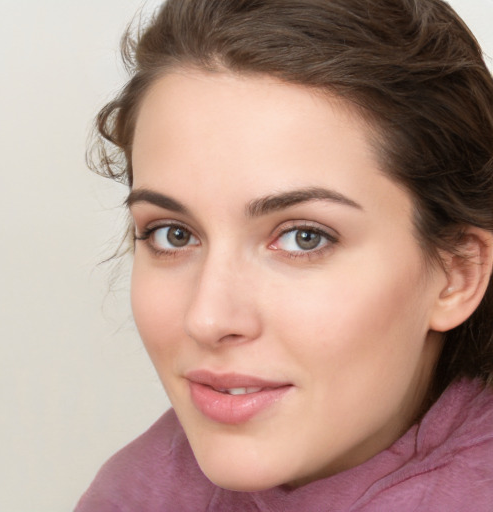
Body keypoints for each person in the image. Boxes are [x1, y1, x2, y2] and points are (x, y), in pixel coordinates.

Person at [75, 0, 493, 510]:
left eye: (304, 238)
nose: (207, 318)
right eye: (173, 235)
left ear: (457, 273)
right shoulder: (136, 492)